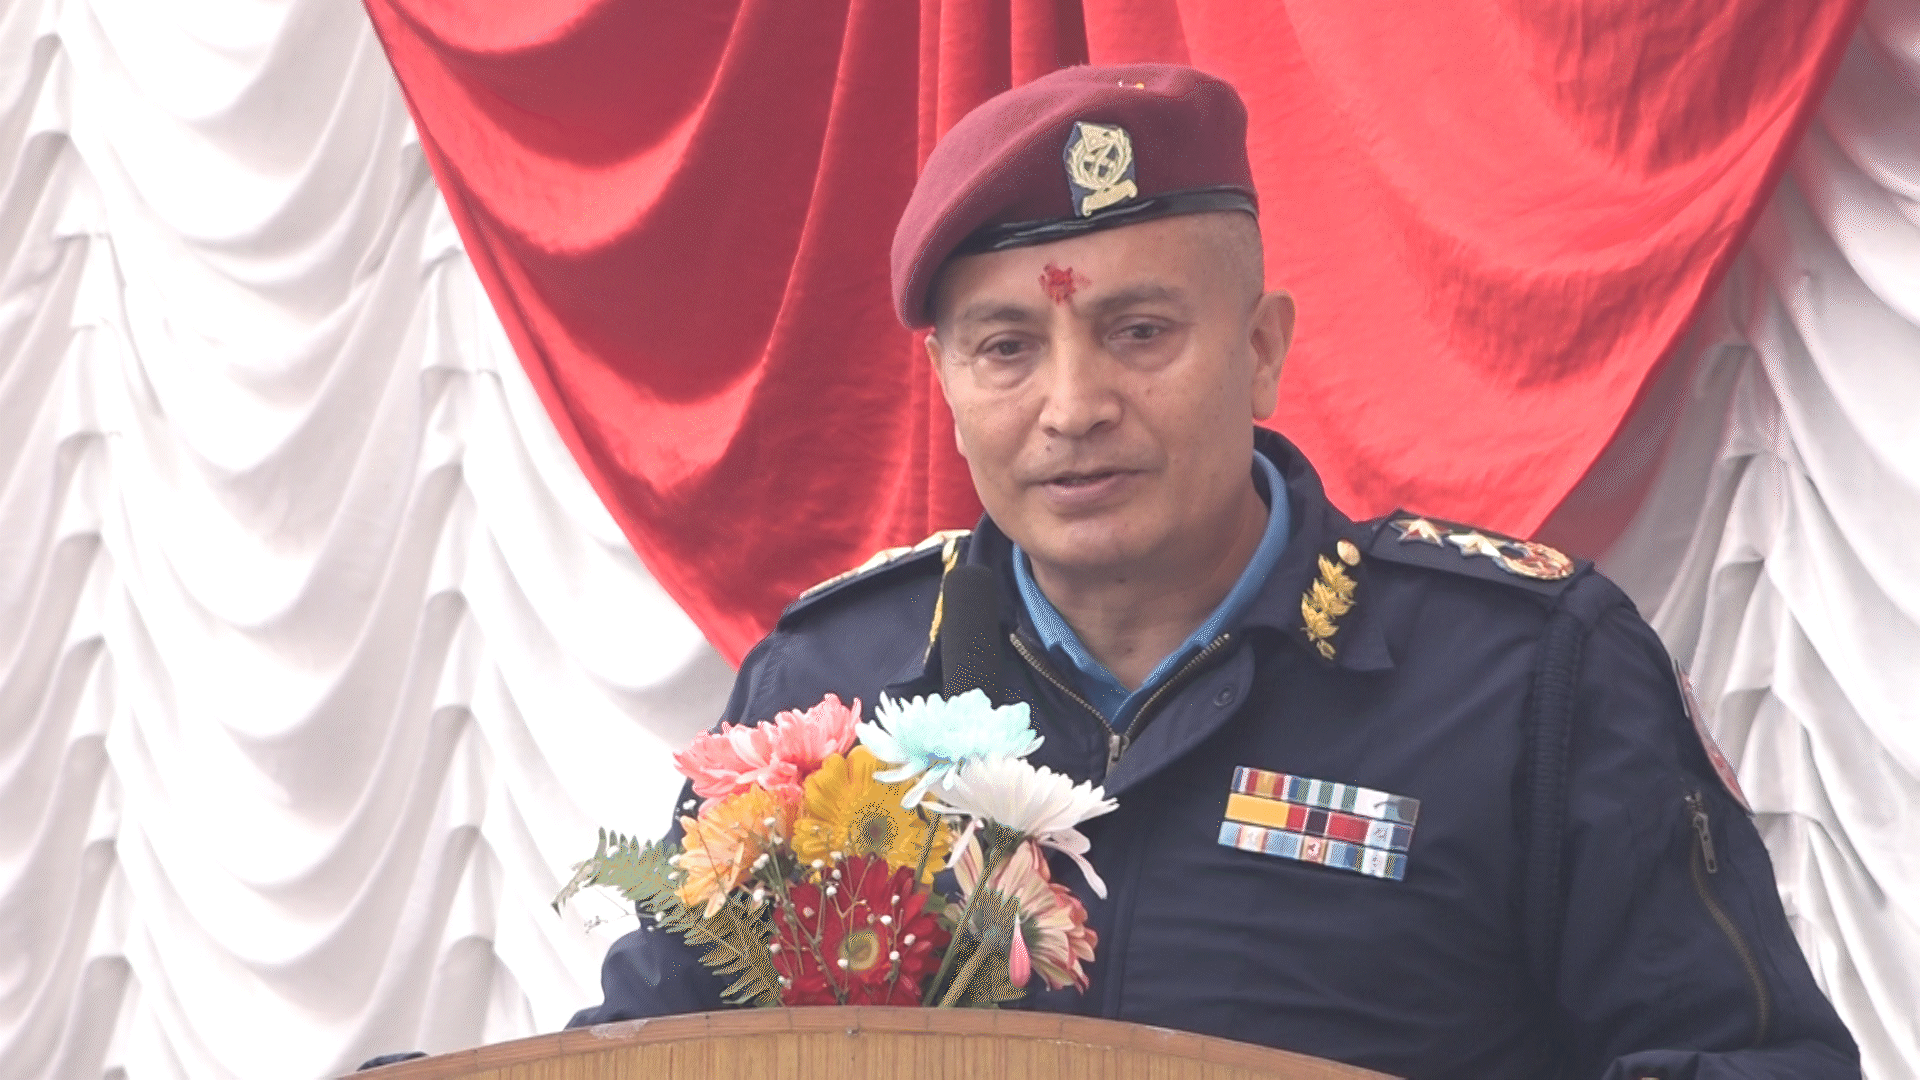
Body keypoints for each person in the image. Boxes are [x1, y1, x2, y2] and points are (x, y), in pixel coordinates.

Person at [569, 64, 1859, 1079]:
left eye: (1139, 332)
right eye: (1006, 349)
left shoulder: (1530, 678)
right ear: (945, 384)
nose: (1074, 406)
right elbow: (650, 1054)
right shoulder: (832, 692)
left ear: (1260, 350)